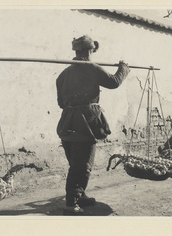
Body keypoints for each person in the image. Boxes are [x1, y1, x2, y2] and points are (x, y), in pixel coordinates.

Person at [56, 35, 130, 215]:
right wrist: (124, 68)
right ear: (90, 50)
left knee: (76, 162)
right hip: (84, 125)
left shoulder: (63, 75)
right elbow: (113, 82)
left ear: (76, 51)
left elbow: (60, 103)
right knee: (82, 165)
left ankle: (79, 195)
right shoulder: (91, 68)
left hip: (67, 123)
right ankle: (71, 204)